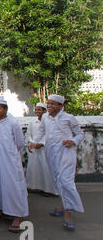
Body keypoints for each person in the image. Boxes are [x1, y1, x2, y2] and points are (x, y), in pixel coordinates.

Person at [29, 94, 84, 231]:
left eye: (53, 104)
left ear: (61, 106)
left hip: (66, 153)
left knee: (66, 181)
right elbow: (41, 131)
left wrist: (73, 141)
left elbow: (80, 134)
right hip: (51, 153)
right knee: (57, 181)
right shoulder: (46, 118)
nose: (49, 106)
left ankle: (68, 214)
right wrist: (34, 142)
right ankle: (64, 205)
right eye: (48, 103)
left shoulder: (69, 118)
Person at [0, 99, 28, 232]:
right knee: (2, 185)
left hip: (11, 160)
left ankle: (17, 216)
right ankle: (5, 210)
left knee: (13, 186)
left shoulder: (13, 123)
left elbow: (19, 142)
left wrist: (11, 154)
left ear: (5, 109)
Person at [25, 103, 57, 196]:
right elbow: (28, 134)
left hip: (45, 149)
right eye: (36, 109)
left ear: (44, 111)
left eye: (39, 110)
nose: (37, 111)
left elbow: (51, 135)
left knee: (46, 169)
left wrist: (42, 143)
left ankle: (49, 190)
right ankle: (35, 187)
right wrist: (32, 142)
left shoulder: (50, 122)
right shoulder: (32, 123)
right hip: (34, 149)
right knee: (34, 169)